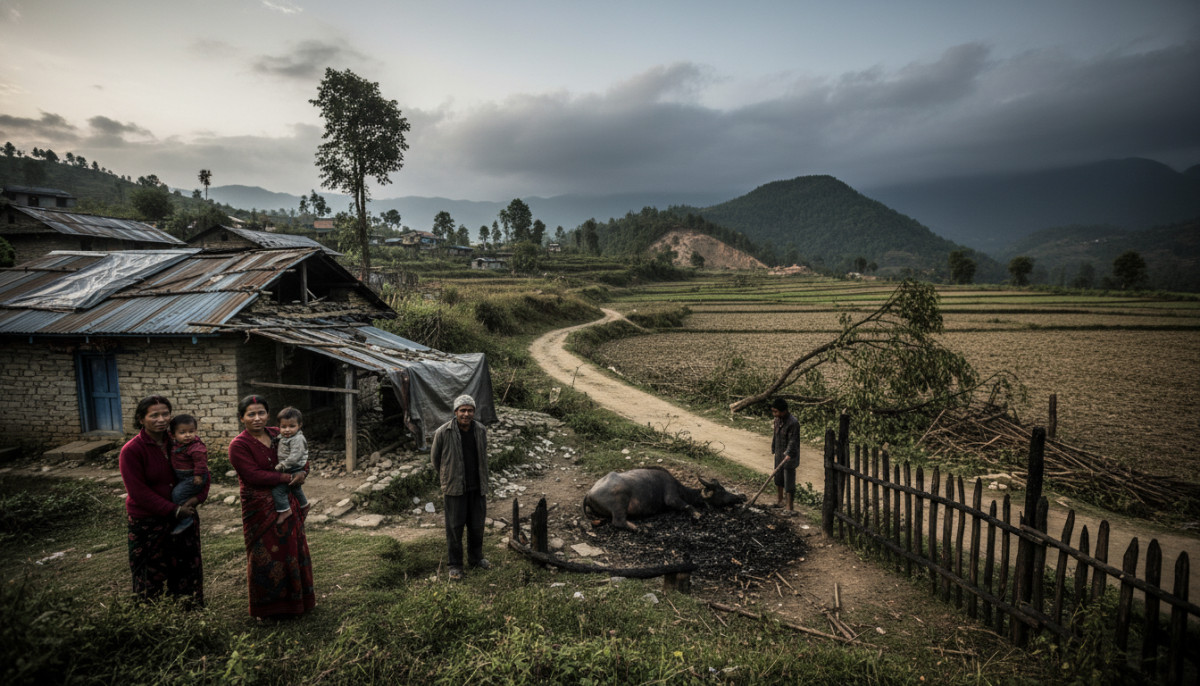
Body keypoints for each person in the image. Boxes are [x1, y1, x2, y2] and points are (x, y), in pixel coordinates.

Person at [228, 394, 315, 618]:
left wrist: (303, 472)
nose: (257, 418)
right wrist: (288, 479)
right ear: (241, 418)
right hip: (259, 507)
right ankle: (268, 610)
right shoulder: (239, 445)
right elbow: (253, 475)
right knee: (265, 555)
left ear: (268, 414)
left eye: (261, 413)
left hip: (287, 500)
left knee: (292, 551)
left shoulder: (279, 432)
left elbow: (301, 455)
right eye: (251, 414)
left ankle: (298, 603)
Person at [119, 395, 209, 605]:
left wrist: (197, 498)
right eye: (154, 415)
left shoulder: (181, 440)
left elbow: (203, 472)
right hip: (149, 522)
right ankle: (155, 626)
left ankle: (191, 622)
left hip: (183, 516)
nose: (161, 419)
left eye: (165, 414)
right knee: (150, 578)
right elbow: (138, 492)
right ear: (141, 419)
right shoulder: (132, 450)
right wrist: (174, 510)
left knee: (187, 572)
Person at [430, 394, 490, 580]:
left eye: (470, 410)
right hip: (455, 489)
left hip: (477, 487)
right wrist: (449, 477)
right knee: (455, 528)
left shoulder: (480, 430)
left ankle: (476, 558)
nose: (466, 414)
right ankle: (455, 565)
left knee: (477, 526)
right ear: (455, 412)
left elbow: (483, 455)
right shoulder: (443, 432)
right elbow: (435, 459)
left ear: (474, 412)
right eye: (462, 410)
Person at [168, 414, 210, 535]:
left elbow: (201, 463)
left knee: (177, 494)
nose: (187, 435)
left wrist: (198, 476)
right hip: (183, 477)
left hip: (194, 477)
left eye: (191, 431)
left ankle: (186, 519)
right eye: (182, 432)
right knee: (178, 495)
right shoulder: (176, 444)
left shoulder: (196, 447)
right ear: (173, 434)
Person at [272, 406, 310, 525]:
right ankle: (304, 505)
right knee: (295, 488)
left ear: (299, 425)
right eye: (283, 427)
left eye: (291, 426)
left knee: (278, 491)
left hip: (293, 467)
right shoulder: (286, 436)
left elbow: (295, 456)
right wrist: (276, 439)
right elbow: (281, 437)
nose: (287, 430)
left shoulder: (298, 439)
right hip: (291, 467)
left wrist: (282, 465)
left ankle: (285, 511)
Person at [771, 397, 800, 513]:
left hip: (790, 456)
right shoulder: (777, 420)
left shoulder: (793, 423)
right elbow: (775, 436)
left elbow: (793, 440)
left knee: (788, 480)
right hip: (779, 453)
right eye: (773, 411)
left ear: (784, 411)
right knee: (778, 478)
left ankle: (789, 506)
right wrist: (773, 448)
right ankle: (780, 501)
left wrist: (788, 453)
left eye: (776, 411)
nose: (774, 414)